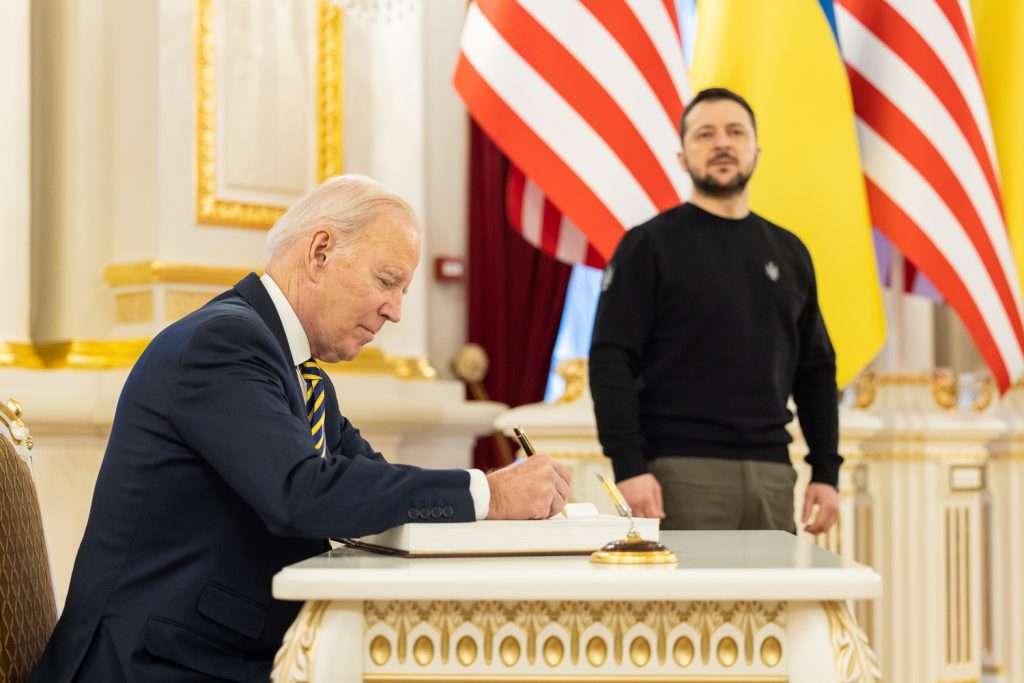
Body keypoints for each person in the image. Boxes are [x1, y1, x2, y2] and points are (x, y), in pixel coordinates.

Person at [32, 174, 572, 683]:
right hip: (156, 662)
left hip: (222, 649)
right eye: (388, 282)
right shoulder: (221, 345)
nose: (397, 311)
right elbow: (301, 493)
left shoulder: (296, 370)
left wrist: (491, 508)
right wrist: (489, 492)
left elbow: (366, 484)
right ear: (320, 253)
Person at [588, 87, 839, 535]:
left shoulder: (790, 252)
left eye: (735, 132)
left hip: (772, 474)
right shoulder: (647, 246)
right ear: (683, 156)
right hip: (677, 474)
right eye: (705, 134)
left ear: (756, 152)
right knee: (687, 607)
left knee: (770, 606)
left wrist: (826, 471)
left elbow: (816, 371)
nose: (722, 143)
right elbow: (611, 360)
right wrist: (629, 465)